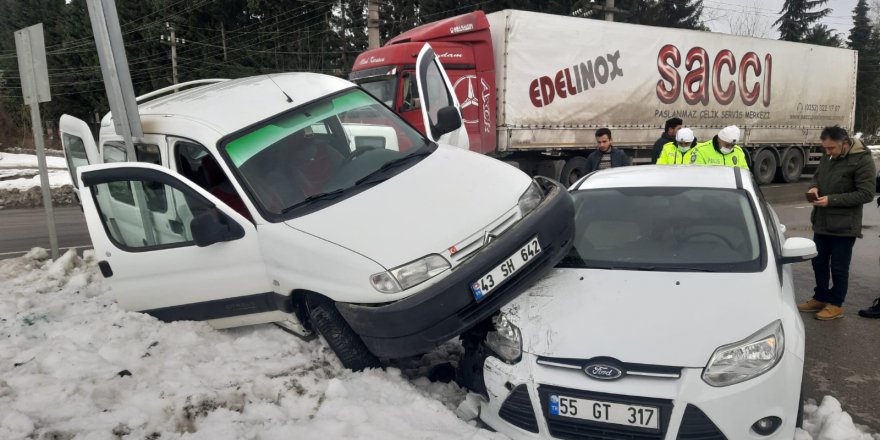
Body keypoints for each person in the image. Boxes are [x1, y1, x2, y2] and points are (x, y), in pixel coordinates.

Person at [797, 126, 876, 320]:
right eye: (825, 148)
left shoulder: (862, 160)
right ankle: (821, 297)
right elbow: (817, 176)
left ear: (845, 143)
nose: (827, 152)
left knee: (839, 267)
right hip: (822, 221)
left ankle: (836, 304)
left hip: (844, 226)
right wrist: (814, 187)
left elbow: (866, 193)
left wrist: (831, 200)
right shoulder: (828, 156)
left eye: (831, 148)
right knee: (819, 262)